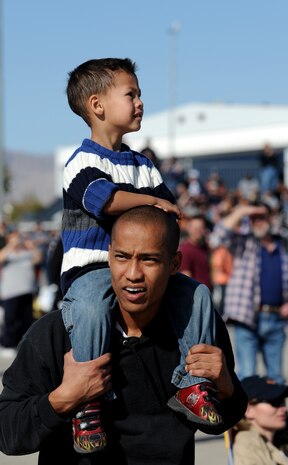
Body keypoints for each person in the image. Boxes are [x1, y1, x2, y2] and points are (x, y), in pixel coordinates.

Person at [0, 206, 248, 465]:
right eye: (122, 257)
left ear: (174, 263)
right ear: (108, 256)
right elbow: (8, 434)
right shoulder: (57, 332)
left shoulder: (196, 327)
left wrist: (226, 387)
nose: (133, 274)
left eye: (149, 259)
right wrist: (65, 397)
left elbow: (219, 422)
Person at [61, 58, 222, 453]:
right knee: (88, 310)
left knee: (196, 293)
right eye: (130, 94)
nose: (140, 102)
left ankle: (192, 384)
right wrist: (152, 201)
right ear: (97, 106)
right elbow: (107, 199)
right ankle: (87, 401)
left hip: (144, 269)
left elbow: (168, 214)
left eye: (139, 94)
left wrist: (159, 205)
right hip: (92, 271)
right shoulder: (81, 162)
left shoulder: (144, 165)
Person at [210, 202, 288, 383]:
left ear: (271, 219)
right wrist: (243, 210)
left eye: (261, 217)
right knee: (247, 375)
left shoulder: (285, 247)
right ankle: (249, 412)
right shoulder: (244, 243)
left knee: (276, 378)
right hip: (247, 317)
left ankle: (276, 411)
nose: (258, 222)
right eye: (253, 219)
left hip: (276, 318)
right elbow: (218, 236)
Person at [233, 375, 288, 465]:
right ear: (248, 410)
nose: (284, 408)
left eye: (282, 401)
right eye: (275, 402)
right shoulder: (247, 443)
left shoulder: (287, 438)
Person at [0, 227, 42, 356]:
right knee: (11, 319)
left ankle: (23, 343)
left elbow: (38, 258)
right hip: (10, 292)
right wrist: (11, 245)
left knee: (26, 320)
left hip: (27, 291)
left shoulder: (26, 252)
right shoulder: (7, 253)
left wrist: (32, 246)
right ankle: (8, 344)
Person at [179, 214, 212, 289]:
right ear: (189, 229)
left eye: (201, 228)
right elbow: (186, 278)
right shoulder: (185, 250)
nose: (198, 231)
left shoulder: (205, 248)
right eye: (195, 228)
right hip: (196, 294)